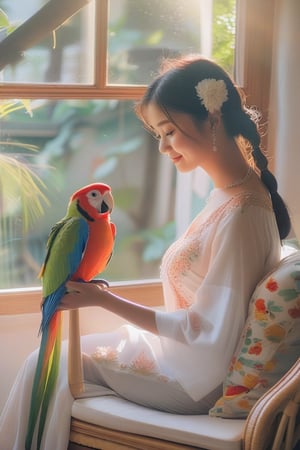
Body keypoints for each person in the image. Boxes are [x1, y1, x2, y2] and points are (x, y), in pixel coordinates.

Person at [0, 55, 291, 450]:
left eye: (169, 131)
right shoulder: (228, 195)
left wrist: (104, 299)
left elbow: (207, 332)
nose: (162, 147)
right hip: (186, 358)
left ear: (213, 117)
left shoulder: (243, 214)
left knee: (43, 366)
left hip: (196, 380)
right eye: (158, 134)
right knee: (47, 360)